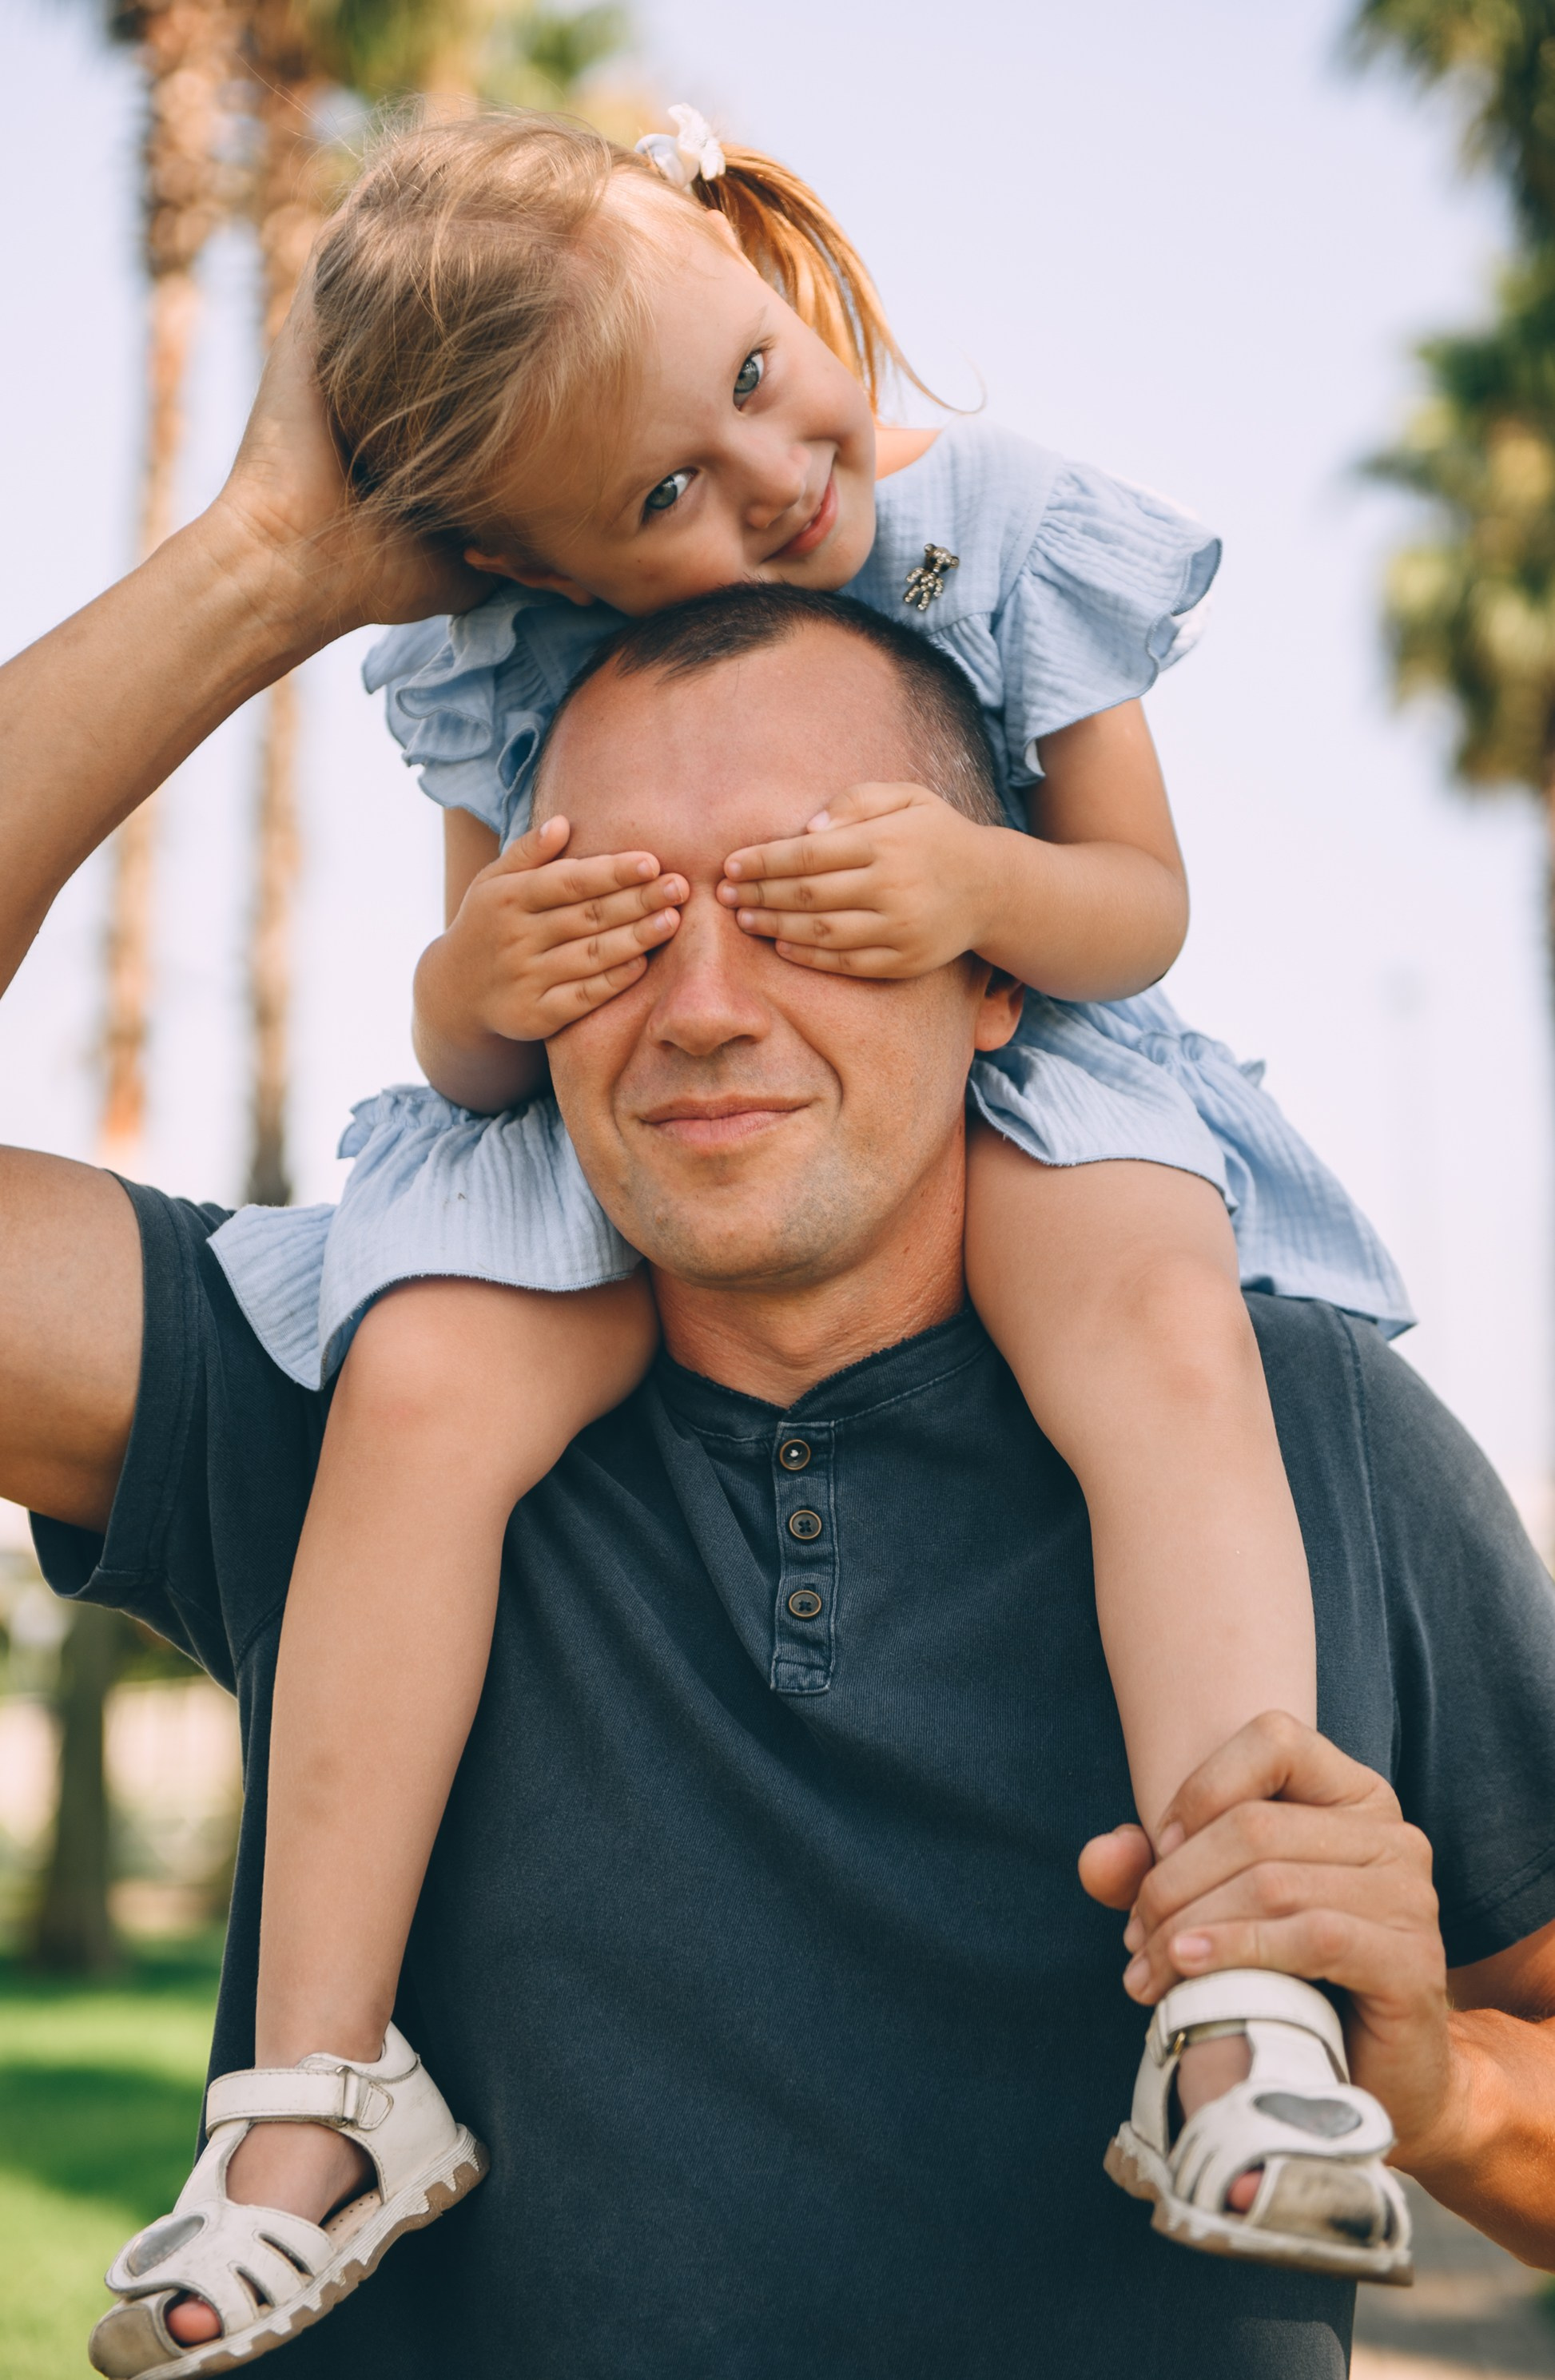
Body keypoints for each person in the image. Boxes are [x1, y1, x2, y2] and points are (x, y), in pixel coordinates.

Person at [115, 102, 1414, 2337]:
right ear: (530, 570)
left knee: (1167, 1336)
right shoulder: (515, 676)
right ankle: (315, 2096)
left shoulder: (999, 530)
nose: (765, 486)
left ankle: (1240, 2010)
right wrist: (485, 979)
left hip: (1036, 1051)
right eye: (652, 499)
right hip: (596, 1150)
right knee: (417, 1386)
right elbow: (481, 1045)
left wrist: (971, 888)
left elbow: (1133, 907)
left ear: (762, 253)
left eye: (742, 384)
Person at [2, 566, 1555, 2380]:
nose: (703, 1006)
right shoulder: (348, 1402)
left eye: (811, 896)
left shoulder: (1295, 1429)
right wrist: (281, 555)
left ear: (1002, 969)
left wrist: (1441, 2092)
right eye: (609, 916)